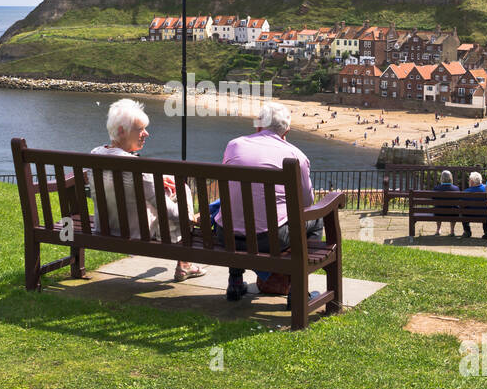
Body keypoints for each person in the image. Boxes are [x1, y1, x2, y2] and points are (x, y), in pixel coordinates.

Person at [215, 101, 321, 305]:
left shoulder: (234, 145)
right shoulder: (296, 155)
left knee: (238, 214)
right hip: (270, 239)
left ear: (258, 126)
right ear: (286, 131)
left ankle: (235, 281)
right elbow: (307, 202)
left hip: (225, 235)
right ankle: (297, 290)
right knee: (316, 220)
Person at [89, 98, 203, 282]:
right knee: (181, 190)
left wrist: (157, 182)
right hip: (136, 232)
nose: (146, 133)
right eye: (140, 129)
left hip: (105, 226)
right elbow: (167, 210)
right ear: (121, 131)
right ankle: (185, 264)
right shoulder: (139, 169)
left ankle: (185, 263)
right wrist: (190, 218)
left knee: (172, 188)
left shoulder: (95, 154)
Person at [460, 170, 487, 240]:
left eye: (469, 180)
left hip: (469, 215)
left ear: (472, 182)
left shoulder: (466, 192)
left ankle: (467, 231)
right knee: (486, 212)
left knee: (463, 212)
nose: (468, 181)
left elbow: (462, 205)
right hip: (484, 215)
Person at [432, 169, 460, 236]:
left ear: (441, 178)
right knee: (455, 209)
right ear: (451, 178)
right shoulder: (456, 189)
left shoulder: (436, 188)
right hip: (452, 213)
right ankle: (452, 230)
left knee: (437, 207)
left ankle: (438, 229)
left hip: (439, 213)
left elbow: (433, 199)